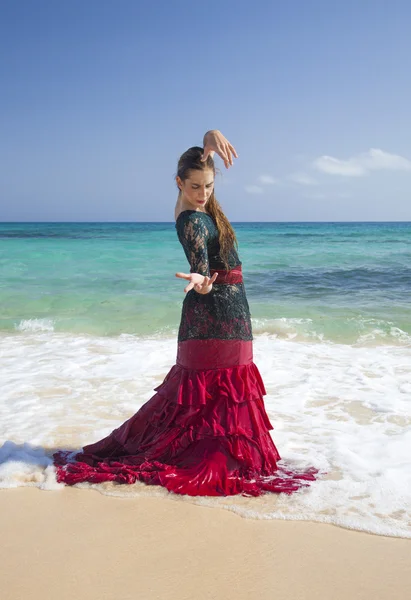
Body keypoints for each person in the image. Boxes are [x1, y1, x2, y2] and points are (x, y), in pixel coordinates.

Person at [53, 130, 318, 496]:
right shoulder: (190, 219)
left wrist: (210, 142)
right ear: (179, 183)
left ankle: (217, 454)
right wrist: (203, 281)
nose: (203, 193)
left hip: (232, 309)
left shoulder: (205, 209)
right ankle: (216, 458)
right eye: (195, 186)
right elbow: (203, 266)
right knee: (213, 392)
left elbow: (206, 160)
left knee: (217, 394)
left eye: (208, 185)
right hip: (215, 309)